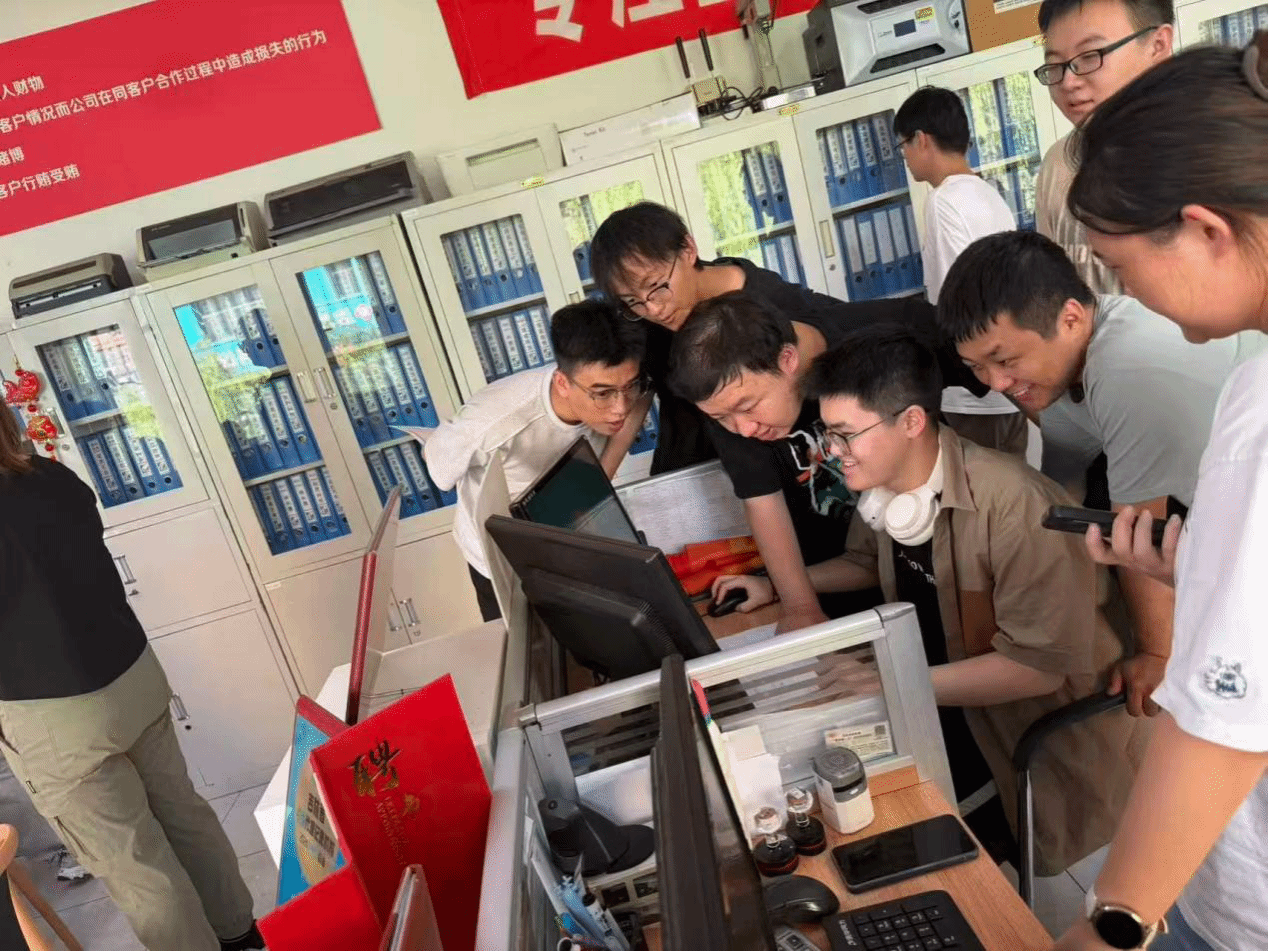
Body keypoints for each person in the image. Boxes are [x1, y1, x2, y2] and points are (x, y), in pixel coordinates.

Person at [713, 326, 1146, 872]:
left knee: (871, 826)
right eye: (828, 434)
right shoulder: (888, 486)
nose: (832, 453)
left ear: (912, 422)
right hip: (945, 692)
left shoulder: (1017, 509)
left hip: (1019, 726)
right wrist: (777, 585)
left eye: (845, 435)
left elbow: (1037, 671)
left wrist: (891, 681)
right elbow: (865, 563)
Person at [1050, 36, 1268, 951]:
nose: (1124, 290)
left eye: (1120, 263)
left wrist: (1115, 922)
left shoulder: (1260, 410)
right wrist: (1205, 570)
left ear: (1205, 230)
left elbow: (1227, 719)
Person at [935, 230, 1262, 716]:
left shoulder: (1129, 367)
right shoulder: (1070, 362)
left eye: (1005, 360)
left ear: (1070, 318)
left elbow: (1137, 530)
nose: (996, 383)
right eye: (976, 367)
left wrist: (1158, 653)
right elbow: (1064, 482)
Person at [0, 411, 262, 951]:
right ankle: (243, 937)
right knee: (185, 816)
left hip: (53, 715)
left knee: (134, 861)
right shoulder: (52, 477)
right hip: (132, 677)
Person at [589, 201, 991, 476]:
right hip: (698, 467)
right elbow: (638, 393)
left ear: (688, 249)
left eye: (657, 287)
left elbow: (854, 334)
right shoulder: (648, 321)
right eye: (633, 301)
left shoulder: (773, 309)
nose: (654, 309)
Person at [665, 291, 985, 633]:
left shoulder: (887, 335)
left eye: (748, 407)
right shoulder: (727, 398)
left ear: (787, 359)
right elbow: (763, 502)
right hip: (857, 574)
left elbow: (1002, 369)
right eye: (720, 418)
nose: (742, 430)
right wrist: (798, 604)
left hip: (947, 561)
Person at [425, 299, 648, 621]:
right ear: (562, 382)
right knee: (525, 644)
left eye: (629, 387)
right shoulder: (493, 421)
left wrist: (597, 482)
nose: (620, 408)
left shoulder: (629, 384)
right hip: (500, 557)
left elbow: (637, 407)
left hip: (570, 528)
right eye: (602, 394)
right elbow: (440, 471)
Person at [893, 85, 1027, 457]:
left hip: (974, 391)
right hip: (1007, 380)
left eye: (903, 146)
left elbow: (955, 305)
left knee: (975, 486)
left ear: (921, 140)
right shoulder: (987, 193)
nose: (905, 158)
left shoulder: (944, 200)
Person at [1033, 0, 1174, 294]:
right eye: (1055, 65)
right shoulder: (1058, 165)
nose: (1068, 82)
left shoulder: (1215, 155)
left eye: (1090, 56)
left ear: (1157, 46)